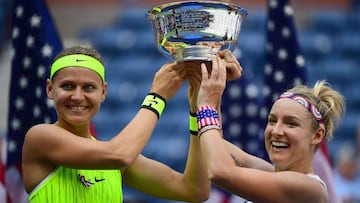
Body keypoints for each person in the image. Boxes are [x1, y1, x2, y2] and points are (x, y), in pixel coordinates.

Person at [21, 45, 242, 203]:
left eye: (88, 88)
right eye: (68, 86)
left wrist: (200, 104)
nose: (78, 97)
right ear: (50, 89)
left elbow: (195, 190)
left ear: (103, 93)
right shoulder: (40, 137)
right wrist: (157, 96)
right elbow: (120, 154)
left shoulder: (115, 160)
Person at [193, 59, 346, 203]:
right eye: (272, 121)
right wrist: (215, 86)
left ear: (317, 135)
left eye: (291, 124)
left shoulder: (310, 188)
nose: (276, 131)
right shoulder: (271, 173)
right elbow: (213, 147)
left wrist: (206, 106)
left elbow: (220, 172)